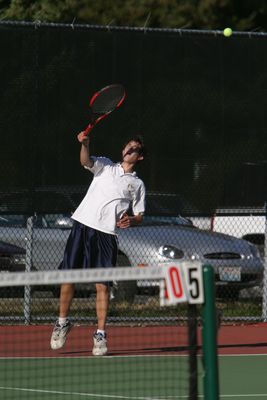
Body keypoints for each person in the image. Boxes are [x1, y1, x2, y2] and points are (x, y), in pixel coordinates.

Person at [50, 132, 147, 356]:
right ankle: (62, 322)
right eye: (128, 147)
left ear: (140, 157)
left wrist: (132, 220)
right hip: (82, 227)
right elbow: (85, 161)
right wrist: (85, 144)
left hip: (106, 235)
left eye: (135, 150)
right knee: (68, 277)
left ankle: (100, 335)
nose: (129, 150)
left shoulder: (137, 184)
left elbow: (140, 214)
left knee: (102, 285)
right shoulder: (105, 165)